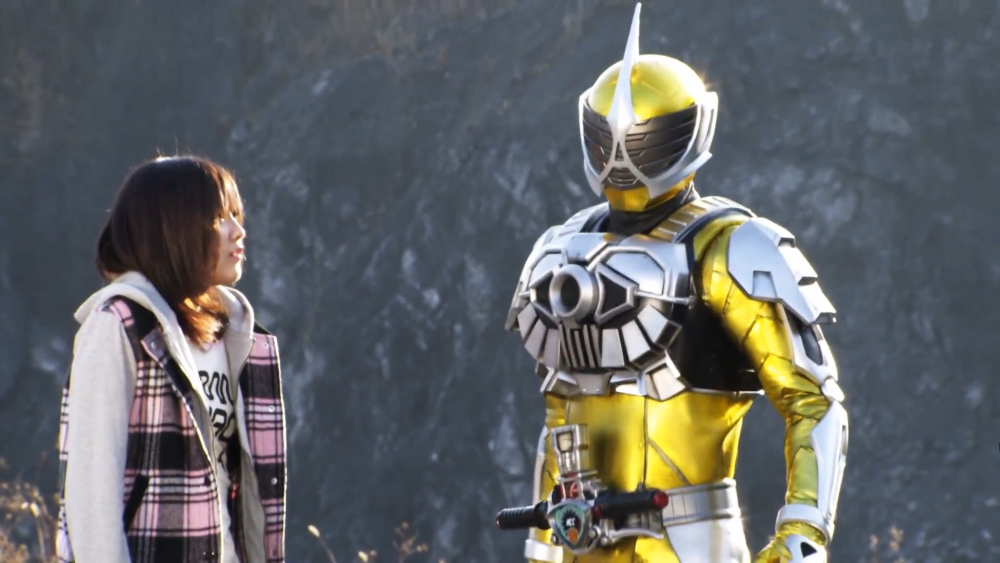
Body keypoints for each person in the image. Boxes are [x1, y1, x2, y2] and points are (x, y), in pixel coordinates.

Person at [501, 4, 847, 563]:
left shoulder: (730, 247)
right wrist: (541, 548)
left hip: (689, 543)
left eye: (642, 139)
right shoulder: (560, 250)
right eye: (610, 139)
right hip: (574, 538)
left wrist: (802, 535)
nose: (621, 157)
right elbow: (559, 415)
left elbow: (813, 400)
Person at [54, 155, 288, 563]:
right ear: (172, 229)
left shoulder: (233, 335)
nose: (239, 231)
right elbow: (91, 490)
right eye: (220, 218)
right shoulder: (119, 326)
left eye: (236, 215)